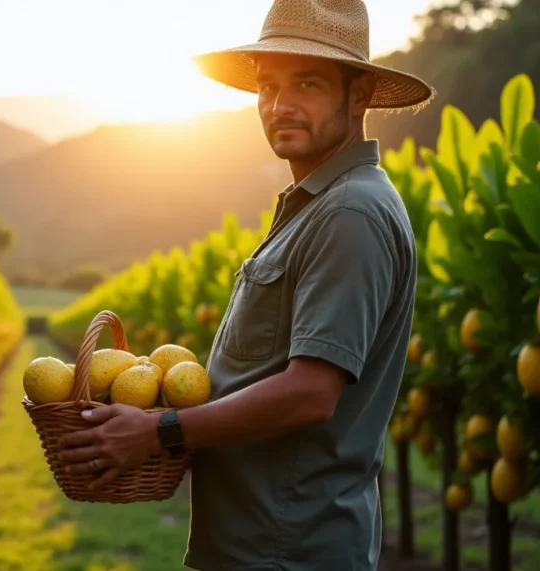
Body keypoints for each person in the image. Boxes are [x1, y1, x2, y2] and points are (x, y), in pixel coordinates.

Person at [54, 1, 437, 569]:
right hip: (260, 541)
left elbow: (311, 393)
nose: (280, 105)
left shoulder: (349, 212)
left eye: (306, 84)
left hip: (287, 547)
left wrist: (159, 430)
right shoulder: (318, 206)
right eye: (268, 86)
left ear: (358, 95)